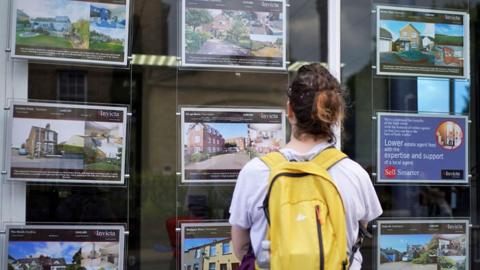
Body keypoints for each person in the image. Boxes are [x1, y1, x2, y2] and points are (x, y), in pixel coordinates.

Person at [228, 63, 383, 269]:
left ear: (289, 110)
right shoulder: (355, 174)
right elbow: (358, 237)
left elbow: (240, 248)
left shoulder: (255, 172)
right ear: (336, 115)